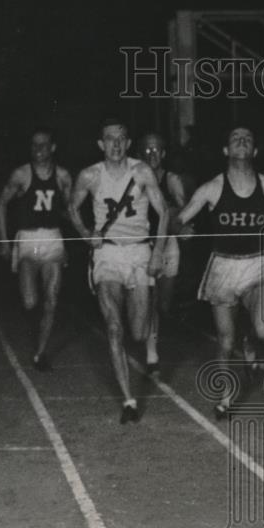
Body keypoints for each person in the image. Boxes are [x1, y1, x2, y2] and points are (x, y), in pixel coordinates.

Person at [174, 126, 264, 418]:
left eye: (248, 139)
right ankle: (225, 397)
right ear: (226, 151)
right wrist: (182, 230)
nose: (242, 141)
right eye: (235, 139)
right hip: (223, 267)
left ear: (254, 151)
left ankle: (250, 339)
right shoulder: (212, 188)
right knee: (225, 342)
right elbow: (177, 218)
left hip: (256, 263)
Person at [68, 119, 168, 425]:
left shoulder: (141, 172)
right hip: (108, 254)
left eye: (121, 139)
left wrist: (159, 252)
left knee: (138, 332)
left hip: (139, 251)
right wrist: (87, 233)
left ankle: (144, 337)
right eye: (109, 139)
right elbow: (71, 206)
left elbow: (163, 212)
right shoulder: (90, 175)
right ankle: (128, 400)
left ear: (127, 144)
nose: (115, 144)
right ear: (101, 144)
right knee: (114, 327)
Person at [0, 127, 73, 371]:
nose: (38, 150)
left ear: (52, 148)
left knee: (51, 299)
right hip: (28, 240)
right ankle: (35, 324)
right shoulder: (21, 174)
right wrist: (4, 241)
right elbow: (1, 203)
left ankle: (41, 353)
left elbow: (70, 210)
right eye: (34, 145)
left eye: (43, 145)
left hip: (52, 238)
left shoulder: (63, 176)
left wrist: (81, 233)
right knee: (31, 302)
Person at [139, 131, 189, 375]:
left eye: (156, 149)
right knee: (151, 298)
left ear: (164, 153)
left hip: (168, 245)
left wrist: (181, 225)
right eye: (147, 150)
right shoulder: (135, 178)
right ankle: (152, 354)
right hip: (144, 246)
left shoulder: (172, 179)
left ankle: (154, 335)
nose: (152, 154)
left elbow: (182, 213)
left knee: (165, 304)